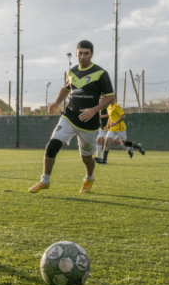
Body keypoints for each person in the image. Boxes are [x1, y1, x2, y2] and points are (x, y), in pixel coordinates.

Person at [28, 40, 115, 194]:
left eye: (86, 53)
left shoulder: (101, 73)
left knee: (87, 158)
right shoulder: (72, 72)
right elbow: (66, 88)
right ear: (76, 54)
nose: (82, 56)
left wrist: (94, 110)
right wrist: (56, 103)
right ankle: (45, 181)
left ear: (92, 54)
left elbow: (110, 98)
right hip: (69, 117)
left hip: (89, 123)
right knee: (52, 145)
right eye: (80, 53)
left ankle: (89, 178)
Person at [100, 99, 145, 164]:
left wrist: (115, 123)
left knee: (125, 143)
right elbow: (110, 117)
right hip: (112, 129)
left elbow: (123, 116)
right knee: (107, 141)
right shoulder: (108, 107)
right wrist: (107, 125)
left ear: (113, 99)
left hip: (120, 128)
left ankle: (138, 147)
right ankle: (104, 160)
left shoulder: (117, 106)